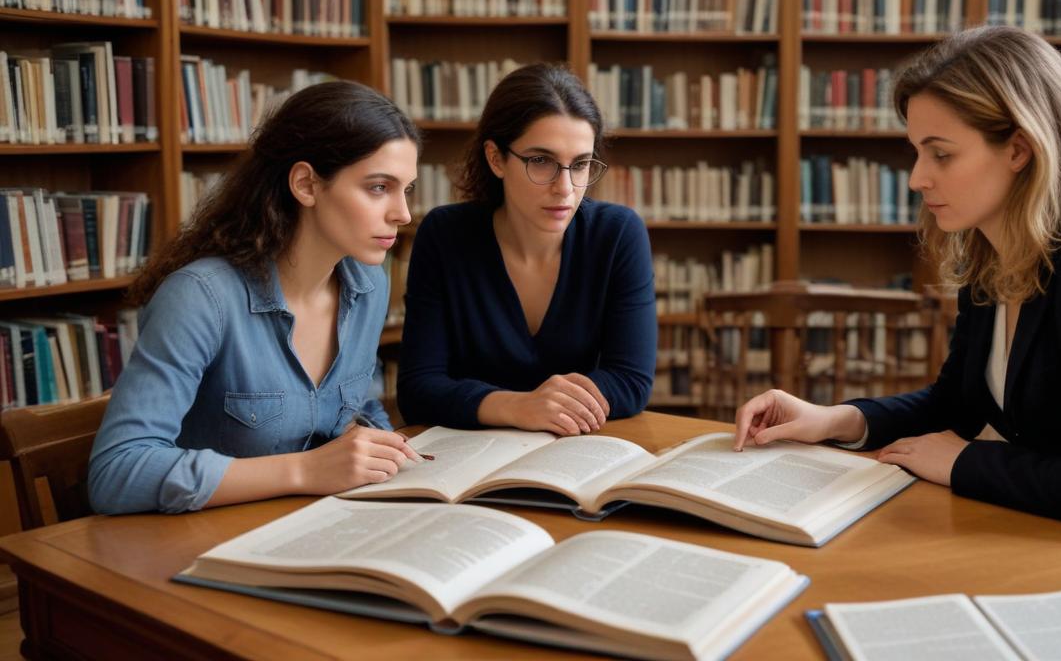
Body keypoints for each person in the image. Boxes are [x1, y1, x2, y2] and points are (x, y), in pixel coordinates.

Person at [732, 26, 1061, 567]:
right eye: (917, 153)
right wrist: (834, 420)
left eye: (941, 155)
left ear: (1018, 149)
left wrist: (966, 462)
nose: (918, 178)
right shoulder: (993, 257)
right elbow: (957, 404)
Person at [89, 81, 424, 514]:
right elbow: (116, 473)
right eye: (379, 187)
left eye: (406, 189)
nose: (403, 213)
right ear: (306, 184)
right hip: (200, 549)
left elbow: (355, 407)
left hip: (319, 525)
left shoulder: (369, 286)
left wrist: (381, 446)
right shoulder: (200, 298)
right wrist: (304, 470)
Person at [397, 63, 655, 436]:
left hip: (578, 450)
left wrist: (546, 409)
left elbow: (631, 381)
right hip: (471, 457)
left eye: (580, 165)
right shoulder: (445, 235)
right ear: (496, 158)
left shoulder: (617, 234)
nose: (565, 188)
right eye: (541, 161)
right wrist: (519, 406)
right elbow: (418, 389)